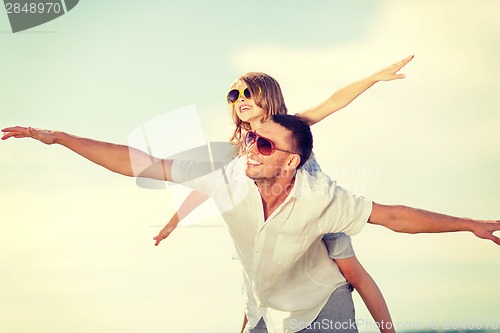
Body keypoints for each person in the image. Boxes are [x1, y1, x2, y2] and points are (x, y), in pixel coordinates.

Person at [2, 118, 499, 333]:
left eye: (264, 145)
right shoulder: (225, 175)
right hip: (268, 311)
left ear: (291, 162)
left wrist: (470, 225)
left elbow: (392, 216)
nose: (249, 149)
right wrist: (59, 137)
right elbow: (143, 163)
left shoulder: (322, 198)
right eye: (249, 138)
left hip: (321, 308)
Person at [153, 56, 415, 333]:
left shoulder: (289, 125)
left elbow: (333, 102)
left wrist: (373, 78)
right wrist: (174, 221)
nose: (240, 99)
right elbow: (209, 186)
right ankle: (252, 325)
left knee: (352, 272)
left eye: (249, 93)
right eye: (234, 94)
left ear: (268, 97)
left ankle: (388, 330)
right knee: (262, 271)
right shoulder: (241, 146)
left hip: (318, 209)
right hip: (278, 216)